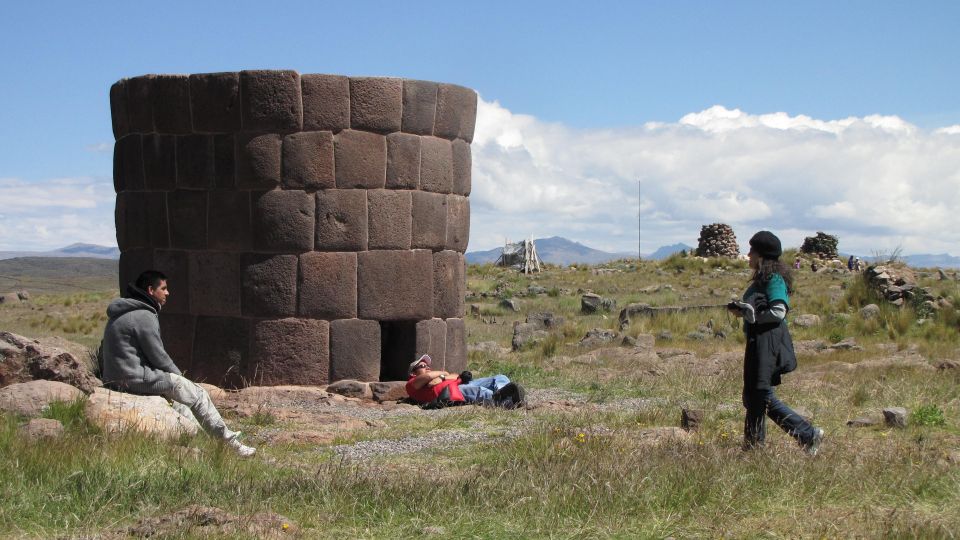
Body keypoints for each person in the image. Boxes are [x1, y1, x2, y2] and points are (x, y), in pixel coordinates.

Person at [101, 270, 256, 457]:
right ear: (151, 290)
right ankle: (230, 442)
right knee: (197, 393)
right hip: (134, 379)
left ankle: (212, 445)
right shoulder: (143, 315)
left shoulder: (124, 313)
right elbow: (158, 356)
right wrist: (179, 377)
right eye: (163, 288)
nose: (168, 293)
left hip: (116, 378)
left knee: (181, 404)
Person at [727, 231, 825, 455]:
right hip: (758, 340)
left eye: (752, 250)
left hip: (768, 341)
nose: (748, 254)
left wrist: (752, 316)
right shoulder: (762, 278)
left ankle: (807, 435)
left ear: (761, 255)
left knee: (761, 394)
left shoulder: (773, 279)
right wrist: (743, 311)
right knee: (753, 395)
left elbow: (778, 310)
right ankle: (754, 448)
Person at [405, 354, 525, 409]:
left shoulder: (437, 377)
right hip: (451, 391)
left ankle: (502, 392)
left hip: (460, 383)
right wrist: (442, 375)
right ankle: (506, 401)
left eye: (428, 366)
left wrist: (442, 377)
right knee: (479, 391)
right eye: (422, 366)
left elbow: (452, 374)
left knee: (499, 377)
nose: (427, 367)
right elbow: (429, 377)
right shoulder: (411, 384)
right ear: (413, 373)